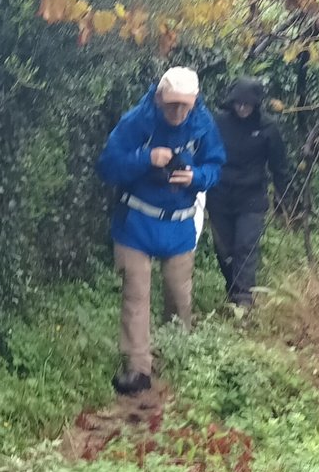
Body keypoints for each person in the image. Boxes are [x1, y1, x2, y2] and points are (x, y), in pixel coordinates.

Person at [97, 67, 225, 396]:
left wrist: (196, 177)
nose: (178, 112)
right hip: (136, 222)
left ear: (195, 101)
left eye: (185, 105)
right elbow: (108, 166)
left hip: (179, 224)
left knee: (178, 296)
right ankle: (138, 369)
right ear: (158, 98)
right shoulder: (137, 122)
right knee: (135, 296)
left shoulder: (203, 124)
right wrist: (146, 158)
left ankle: (174, 358)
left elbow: (215, 166)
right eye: (172, 105)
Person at [208, 76, 294, 310]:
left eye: (247, 104)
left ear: (256, 105)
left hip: (251, 198)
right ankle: (233, 292)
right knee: (224, 251)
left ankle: (244, 299)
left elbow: (279, 166)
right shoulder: (218, 123)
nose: (242, 108)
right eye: (238, 103)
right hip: (219, 196)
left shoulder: (268, 127)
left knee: (245, 246)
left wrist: (282, 198)